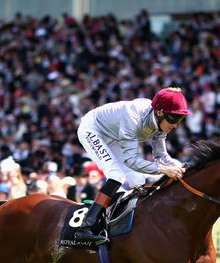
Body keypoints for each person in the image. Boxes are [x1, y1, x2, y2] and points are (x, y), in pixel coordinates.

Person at [74, 87, 190, 244]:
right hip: (93, 129)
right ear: (160, 112)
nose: (176, 125)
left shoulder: (161, 121)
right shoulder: (133, 116)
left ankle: (112, 223)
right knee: (116, 175)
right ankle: (86, 227)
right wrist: (164, 169)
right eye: (174, 119)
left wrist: (182, 166)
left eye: (180, 119)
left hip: (114, 136)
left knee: (138, 181)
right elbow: (131, 160)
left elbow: (161, 156)